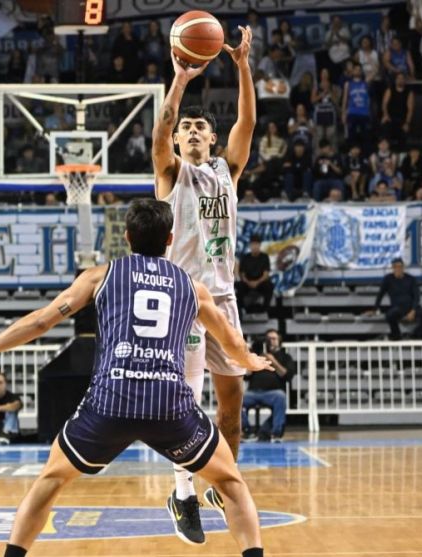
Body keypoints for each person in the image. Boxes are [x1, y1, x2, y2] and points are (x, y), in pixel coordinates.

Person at [0, 199, 268, 557]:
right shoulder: (193, 288)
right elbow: (232, 344)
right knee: (232, 483)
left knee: (51, 480)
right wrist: (250, 360)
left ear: (127, 237)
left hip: (110, 403)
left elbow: (41, 321)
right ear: (170, 239)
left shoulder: (100, 276)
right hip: (169, 406)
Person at [151, 27, 256, 545]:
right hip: (183, 300)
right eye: (186, 127)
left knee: (231, 405)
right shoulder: (170, 174)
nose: (191, 130)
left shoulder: (226, 172)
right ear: (178, 139)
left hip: (224, 297)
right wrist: (179, 81)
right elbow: (160, 131)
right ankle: (183, 493)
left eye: (200, 127)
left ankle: (220, 480)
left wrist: (242, 66)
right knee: (187, 403)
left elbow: (247, 123)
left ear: (212, 139)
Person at [241, 330, 295, 443]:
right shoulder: (257, 355)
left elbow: (287, 375)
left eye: (274, 339)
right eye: (268, 339)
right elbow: (246, 376)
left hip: (273, 393)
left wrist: (273, 361)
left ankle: (276, 434)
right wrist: (251, 360)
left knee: (281, 397)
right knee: (238, 399)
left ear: (279, 341)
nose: (271, 341)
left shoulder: (285, 356)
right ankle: (247, 431)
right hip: (253, 392)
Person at [371, 258, 422, 340]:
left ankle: (416, 334)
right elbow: (380, 295)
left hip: (412, 307)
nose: (398, 269)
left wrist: (413, 311)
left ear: (403, 267)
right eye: (395, 267)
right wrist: (374, 309)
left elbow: (417, 296)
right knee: (389, 316)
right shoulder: (388, 279)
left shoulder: (411, 279)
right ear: (392, 268)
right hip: (398, 308)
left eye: (400, 266)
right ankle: (396, 336)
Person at [236, 236, 273, 314]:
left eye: (256, 244)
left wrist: (257, 282)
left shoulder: (264, 257)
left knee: (269, 286)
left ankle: (264, 309)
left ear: (259, 245)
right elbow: (242, 274)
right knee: (238, 286)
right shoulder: (245, 258)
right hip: (247, 283)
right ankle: (242, 309)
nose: (255, 246)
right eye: (253, 244)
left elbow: (266, 274)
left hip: (260, 283)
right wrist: (248, 282)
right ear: (250, 245)